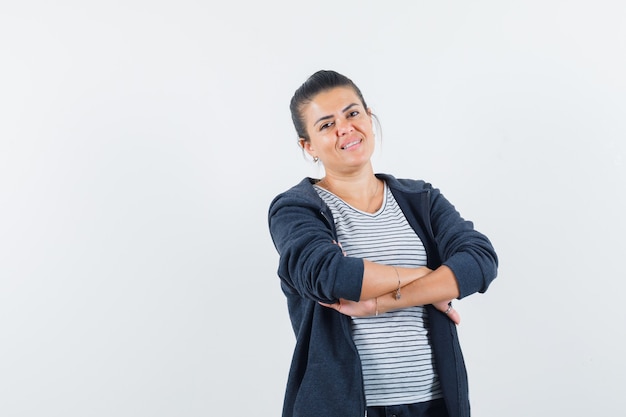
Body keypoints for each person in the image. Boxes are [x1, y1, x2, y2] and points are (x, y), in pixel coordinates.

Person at [267, 69, 498, 417]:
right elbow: (334, 278)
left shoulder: (421, 199)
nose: (345, 128)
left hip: (434, 404)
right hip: (345, 408)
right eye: (326, 124)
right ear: (308, 146)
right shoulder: (296, 209)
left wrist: (380, 303)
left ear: (369, 119)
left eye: (352, 113)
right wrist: (429, 276)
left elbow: (480, 261)